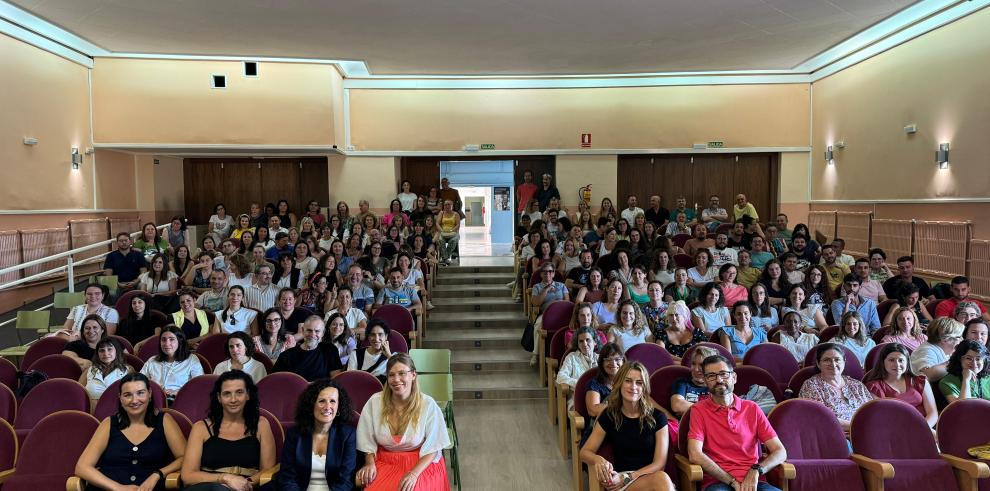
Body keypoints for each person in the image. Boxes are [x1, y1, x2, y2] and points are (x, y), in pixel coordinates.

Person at [687, 354, 787, 491]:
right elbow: (695, 454)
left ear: (734, 377)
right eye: (711, 375)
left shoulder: (752, 408)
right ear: (705, 381)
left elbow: (780, 451)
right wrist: (731, 481)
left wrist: (756, 470)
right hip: (718, 482)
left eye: (723, 374)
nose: (719, 379)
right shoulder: (698, 410)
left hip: (754, 482)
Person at [74, 373, 186, 491]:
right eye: (127, 395)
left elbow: (184, 458)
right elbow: (82, 467)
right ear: (120, 398)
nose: (134, 400)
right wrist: (118, 488)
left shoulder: (164, 420)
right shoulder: (109, 423)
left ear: (150, 394)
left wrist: (158, 474)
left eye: (140, 393)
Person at [355, 353, 451, 490]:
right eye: (391, 375)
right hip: (385, 459)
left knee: (413, 488)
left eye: (401, 373)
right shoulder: (375, 402)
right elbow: (367, 441)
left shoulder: (428, 404)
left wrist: (413, 474)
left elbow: (433, 448)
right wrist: (369, 463)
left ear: (413, 375)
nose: (396, 379)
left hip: (421, 462)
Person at [580, 361, 674, 491]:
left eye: (639, 383)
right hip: (621, 482)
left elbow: (660, 463)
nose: (633, 387)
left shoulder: (658, 417)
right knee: (662, 480)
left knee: (661, 478)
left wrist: (630, 476)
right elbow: (584, 452)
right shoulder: (609, 415)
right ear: (619, 383)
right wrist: (598, 459)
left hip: (649, 476)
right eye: (628, 381)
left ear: (644, 387)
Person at [179, 370, 277, 490]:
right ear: (219, 398)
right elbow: (187, 476)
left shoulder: (261, 425)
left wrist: (244, 483)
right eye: (227, 394)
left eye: (239, 392)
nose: (233, 399)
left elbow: (267, 470)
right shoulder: (201, 427)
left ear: (248, 395)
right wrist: (226, 479)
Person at [278, 378, 357, 490]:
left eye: (332, 401)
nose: (327, 407)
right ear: (311, 405)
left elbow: (345, 481)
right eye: (321, 401)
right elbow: (287, 477)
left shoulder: (348, 435)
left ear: (339, 406)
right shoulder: (294, 434)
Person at [798, 343, 874, 433]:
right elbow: (821, 419)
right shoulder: (811, 386)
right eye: (827, 360)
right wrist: (860, 427)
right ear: (818, 364)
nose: (833, 364)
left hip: (867, 432)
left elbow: (871, 410)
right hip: (834, 436)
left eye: (837, 359)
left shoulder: (856, 384)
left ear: (844, 361)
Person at [863, 343, 938, 428]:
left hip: (925, 426)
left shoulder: (920, 381)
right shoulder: (874, 387)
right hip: (896, 430)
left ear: (907, 361)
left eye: (901, 360)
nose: (897, 364)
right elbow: (885, 418)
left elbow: (933, 413)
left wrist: (922, 429)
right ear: (883, 362)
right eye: (891, 360)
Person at [140, 326, 204, 402]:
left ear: (180, 341)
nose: (167, 343)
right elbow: (139, 382)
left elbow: (199, 385)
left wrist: (178, 391)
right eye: (163, 340)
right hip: (154, 402)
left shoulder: (192, 359)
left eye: (171, 339)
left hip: (181, 401)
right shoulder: (152, 360)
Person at [273, 316, 345, 382]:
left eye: (317, 331)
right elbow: (276, 382)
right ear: (303, 330)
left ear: (323, 333)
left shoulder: (330, 350)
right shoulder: (287, 355)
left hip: (321, 394)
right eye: (309, 330)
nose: (312, 334)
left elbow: (336, 381)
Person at [581, 343, 624, 446]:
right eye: (608, 359)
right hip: (601, 430)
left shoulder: (629, 383)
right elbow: (593, 410)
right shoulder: (594, 384)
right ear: (601, 363)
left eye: (617, 359)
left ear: (623, 361)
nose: (613, 363)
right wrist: (623, 406)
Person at [556, 327, 601, 410]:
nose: (584, 344)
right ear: (577, 344)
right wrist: (580, 384)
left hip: (599, 398)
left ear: (594, 342)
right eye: (581, 341)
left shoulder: (601, 359)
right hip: (577, 398)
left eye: (588, 340)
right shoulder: (571, 357)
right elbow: (560, 377)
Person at [911, 317, 964, 383]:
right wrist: (954, 360)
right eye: (959, 337)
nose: (961, 340)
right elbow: (928, 375)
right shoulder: (926, 351)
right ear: (945, 339)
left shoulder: (944, 350)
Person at [80, 337, 131, 403]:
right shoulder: (89, 370)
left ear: (116, 351)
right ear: (97, 354)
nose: (106, 354)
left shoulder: (127, 370)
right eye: (102, 350)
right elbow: (79, 392)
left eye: (109, 349)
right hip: (90, 409)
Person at [670, 346, 718, 416]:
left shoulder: (717, 385)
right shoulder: (682, 383)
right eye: (693, 364)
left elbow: (722, 409)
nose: (696, 369)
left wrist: (688, 408)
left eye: (701, 365)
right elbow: (677, 405)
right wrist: (711, 410)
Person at [347, 319, 393, 384]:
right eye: (372, 335)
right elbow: (350, 379)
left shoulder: (393, 357)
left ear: (386, 336)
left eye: (380, 334)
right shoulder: (355, 354)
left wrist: (389, 356)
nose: (376, 339)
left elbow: (398, 377)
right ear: (368, 337)